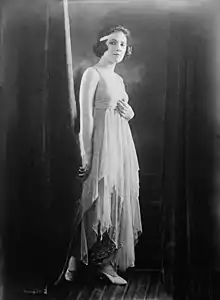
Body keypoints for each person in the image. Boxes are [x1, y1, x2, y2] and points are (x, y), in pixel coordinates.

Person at [63, 25, 142, 285]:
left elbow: (121, 112)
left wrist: (130, 114)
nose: (118, 48)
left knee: (115, 200)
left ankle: (105, 264)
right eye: (113, 43)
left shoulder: (119, 79)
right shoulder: (92, 74)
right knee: (93, 201)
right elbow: (86, 118)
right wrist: (86, 155)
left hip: (120, 145)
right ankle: (75, 259)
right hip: (99, 145)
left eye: (122, 44)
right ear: (103, 45)